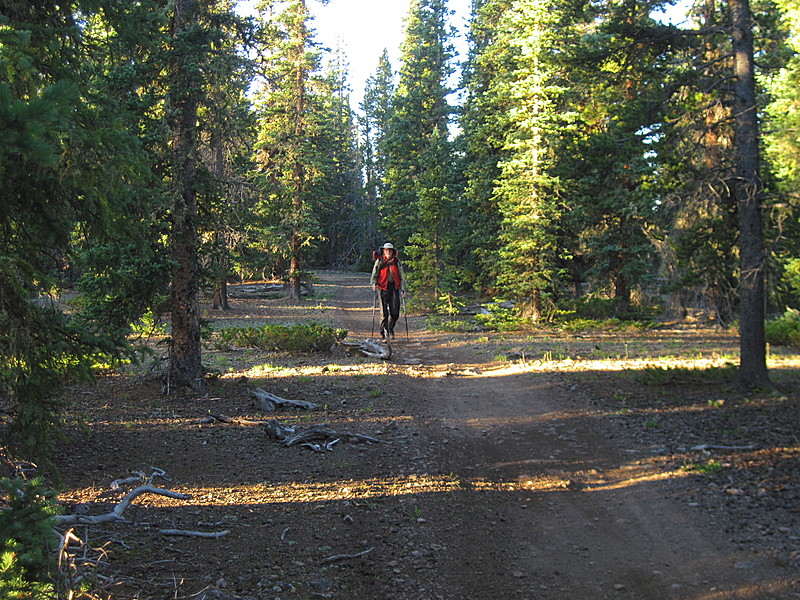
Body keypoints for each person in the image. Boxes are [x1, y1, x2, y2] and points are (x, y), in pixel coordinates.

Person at [370, 242, 407, 340]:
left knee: (395, 312)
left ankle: (390, 328)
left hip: (394, 288)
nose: (388, 251)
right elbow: (374, 273)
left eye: (390, 250)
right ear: (383, 251)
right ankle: (383, 332)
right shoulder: (380, 261)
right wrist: (373, 283)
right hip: (382, 288)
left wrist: (403, 289)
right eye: (386, 250)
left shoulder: (396, 261)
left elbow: (401, 275)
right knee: (384, 313)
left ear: (393, 251)